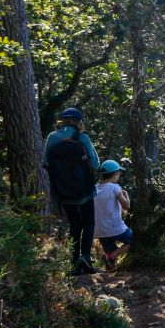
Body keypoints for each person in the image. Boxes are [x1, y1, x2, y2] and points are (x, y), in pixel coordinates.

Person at [43, 107, 101, 275]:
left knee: (75, 225)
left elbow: (45, 162)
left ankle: (73, 261)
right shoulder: (83, 138)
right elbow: (96, 165)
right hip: (84, 191)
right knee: (89, 223)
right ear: (78, 122)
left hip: (64, 192)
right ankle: (85, 257)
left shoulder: (52, 138)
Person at [95, 159, 133, 268]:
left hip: (99, 230)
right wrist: (125, 194)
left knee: (110, 256)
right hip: (114, 227)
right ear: (116, 173)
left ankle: (110, 261)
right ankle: (111, 256)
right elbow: (127, 206)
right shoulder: (115, 188)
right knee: (134, 240)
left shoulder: (94, 188)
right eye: (119, 174)